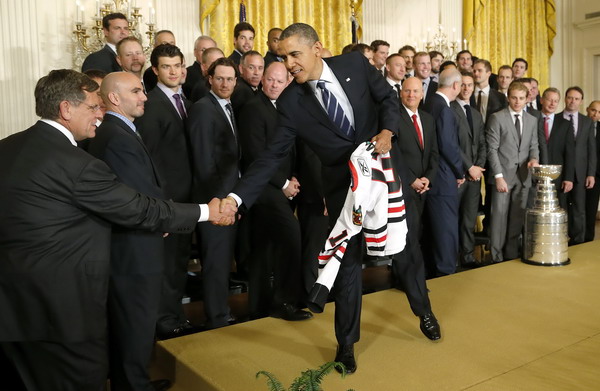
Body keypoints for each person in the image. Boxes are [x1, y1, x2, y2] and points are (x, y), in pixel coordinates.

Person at [220, 23, 440, 374]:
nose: (289, 63)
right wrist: (236, 198)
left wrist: (387, 130)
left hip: (385, 177)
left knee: (405, 250)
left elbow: (387, 99)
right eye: (283, 56)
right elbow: (270, 157)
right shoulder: (291, 102)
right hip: (342, 189)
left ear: (317, 49)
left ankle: (423, 311)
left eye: (295, 54)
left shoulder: (353, 66)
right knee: (347, 265)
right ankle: (346, 345)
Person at [0, 69, 232, 391]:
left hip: (13, 308)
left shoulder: (7, 148)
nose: (101, 114)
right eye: (94, 107)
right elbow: (139, 207)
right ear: (67, 109)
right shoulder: (77, 165)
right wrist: (207, 211)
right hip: (65, 313)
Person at [87, 71, 169, 390]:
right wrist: (162, 219)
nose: (144, 96)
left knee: (134, 323)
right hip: (132, 248)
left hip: (135, 243)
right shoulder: (115, 135)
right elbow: (135, 193)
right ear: (115, 98)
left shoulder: (121, 129)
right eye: (137, 91)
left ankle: (134, 382)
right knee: (135, 322)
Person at [237, 61, 312, 321]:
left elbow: (294, 147)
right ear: (262, 79)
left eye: (280, 81)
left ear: (288, 83)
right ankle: (284, 303)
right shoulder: (253, 109)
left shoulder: (287, 107)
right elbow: (256, 154)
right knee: (290, 238)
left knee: (264, 247)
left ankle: (259, 305)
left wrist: (294, 178)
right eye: (270, 79)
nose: (273, 85)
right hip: (263, 189)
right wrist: (283, 184)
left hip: (284, 185)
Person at [134, 44, 196, 340]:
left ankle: (175, 313)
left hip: (187, 198)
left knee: (179, 262)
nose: (174, 71)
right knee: (168, 263)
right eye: (167, 67)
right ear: (155, 70)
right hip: (168, 200)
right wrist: (161, 200)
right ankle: (164, 318)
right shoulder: (151, 104)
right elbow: (151, 158)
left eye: (178, 65)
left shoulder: (187, 98)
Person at [188, 57, 242, 329]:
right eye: (219, 78)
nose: (225, 83)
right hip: (214, 200)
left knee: (223, 261)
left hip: (228, 198)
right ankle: (217, 317)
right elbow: (203, 161)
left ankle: (221, 312)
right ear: (209, 79)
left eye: (230, 79)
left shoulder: (228, 107)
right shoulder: (202, 109)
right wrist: (221, 203)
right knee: (216, 263)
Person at [486, 81, 539, 262]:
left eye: (521, 98)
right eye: (514, 98)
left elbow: (534, 146)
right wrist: (498, 177)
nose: (517, 102)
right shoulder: (497, 118)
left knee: (517, 218)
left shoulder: (532, 120)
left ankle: (510, 255)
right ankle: (496, 257)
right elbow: (491, 149)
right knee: (498, 219)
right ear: (508, 98)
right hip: (503, 176)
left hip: (524, 177)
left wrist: (534, 159)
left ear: (527, 99)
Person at [422, 69, 465, 276]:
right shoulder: (444, 109)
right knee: (446, 231)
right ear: (456, 86)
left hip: (430, 177)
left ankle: (433, 272)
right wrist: (460, 171)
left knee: (432, 230)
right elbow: (448, 145)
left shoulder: (429, 103)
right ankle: (446, 273)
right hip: (444, 177)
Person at [451, 72, 486, 268]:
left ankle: (468, 256)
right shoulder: (450, 109)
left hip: (474, 176)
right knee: (454, 219)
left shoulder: (476, 113)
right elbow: (452, 144)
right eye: (463, 85)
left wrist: (478, 167)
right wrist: (469, 167)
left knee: (469, 219)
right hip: (458, 175)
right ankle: (453, 258)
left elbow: (482, 142)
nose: (466, 89)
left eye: (470, 85)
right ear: (457, 86)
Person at [558, 87, 597, 244]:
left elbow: (591, 150)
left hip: (580, 172)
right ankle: (560, 240)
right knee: (561, 209)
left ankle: (579, 243)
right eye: (570, 97)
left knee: (579, 210)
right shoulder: (556, 119)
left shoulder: (587, 121)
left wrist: (591, 173)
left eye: (576, 98)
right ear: (565, 98)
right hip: (560, 173)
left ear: (581, 101)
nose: (572, 101)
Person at [537, 87, 575, 210]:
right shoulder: (531, 119)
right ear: (542, 100)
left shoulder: (565, 124)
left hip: (557, 177)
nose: (553, 104)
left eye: (556, 101)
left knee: (557, 209)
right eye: (549, 100)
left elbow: (569, 152)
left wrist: (568, 178)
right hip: (534, 174)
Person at [585, 100, 600, 242]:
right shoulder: (579, 125)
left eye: (599, 112)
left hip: (597, 176)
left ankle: (589, 239)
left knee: (591, 209)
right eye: (593, 110)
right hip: (580, 173)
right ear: (587, 109)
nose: (596, 114)